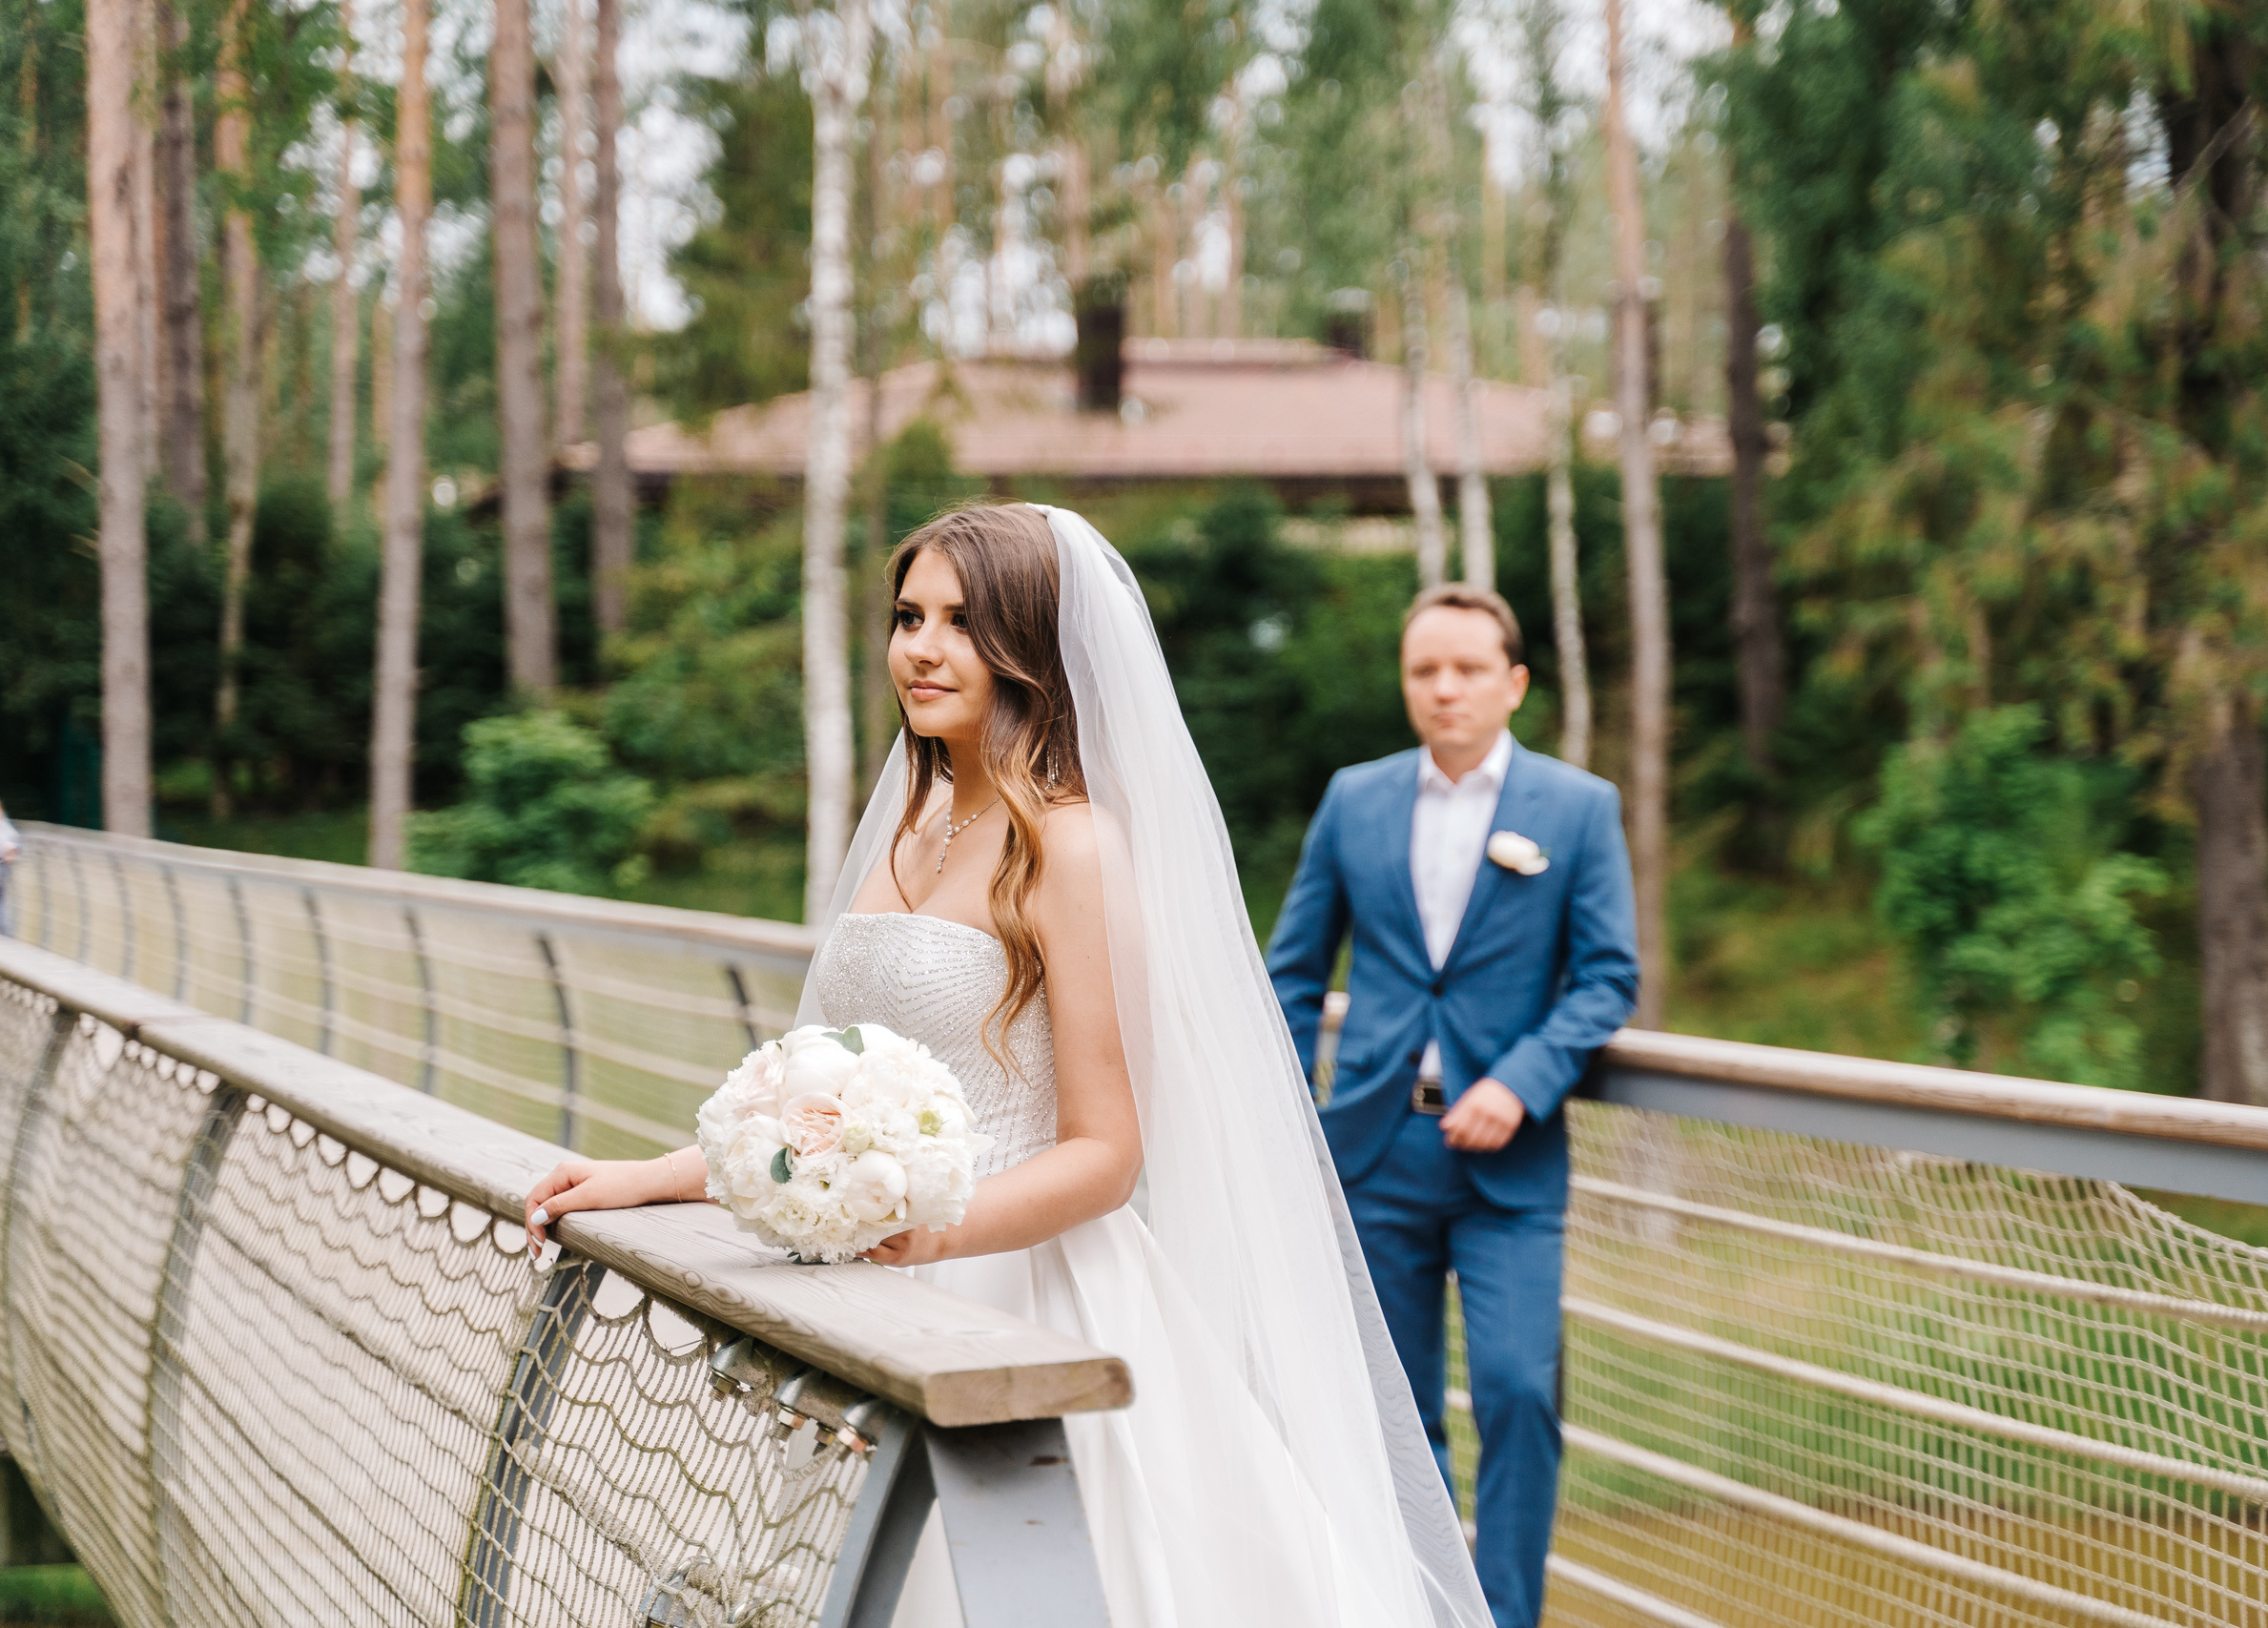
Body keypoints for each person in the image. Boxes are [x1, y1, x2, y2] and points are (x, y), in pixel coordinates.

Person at [526, 505, 1493, 1628]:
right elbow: (820, 1110)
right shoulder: (910, 826)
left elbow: (1105, 1153)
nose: (921, 649)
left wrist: (940, 1232)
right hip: (868, 1292)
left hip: (1024, 1287)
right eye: (907, 617)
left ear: (1030, 651)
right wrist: (654, 1174)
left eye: (963, 624)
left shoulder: (1072, 845)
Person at [1265, 585, 1639, 1628]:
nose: (1444, 689)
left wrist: (1519, 1082)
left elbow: (1606, 978)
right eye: (1424, 670)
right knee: (1394, 1412)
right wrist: (1291, 1108)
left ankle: (1506, 1616)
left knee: (1521, 1394)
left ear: (1513, 683)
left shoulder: (1577, 808)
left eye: (1467, 669)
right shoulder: (1354, 799)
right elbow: (1291, 971)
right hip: (1374, 1153)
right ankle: (1416, 1607)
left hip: (1508, 1166)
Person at [0, 798, 20, 938]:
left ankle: (7, 936)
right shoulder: (5, 826)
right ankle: (7, 936)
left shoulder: (3, 827)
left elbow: (11, 848)